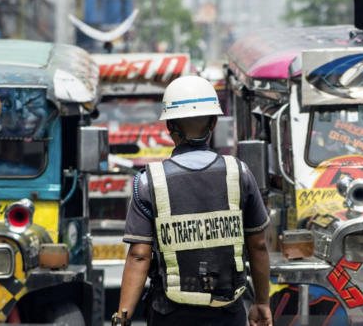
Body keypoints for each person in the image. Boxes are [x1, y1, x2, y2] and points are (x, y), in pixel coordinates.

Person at [113, 76, 273, 326]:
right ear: (214, 122)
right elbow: (259, 246)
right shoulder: (239, 173)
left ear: (169, 127)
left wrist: (121, 318)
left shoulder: (149, 182)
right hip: (227, 312)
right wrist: (262, 303)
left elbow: (139, 256)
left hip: (170, 314)